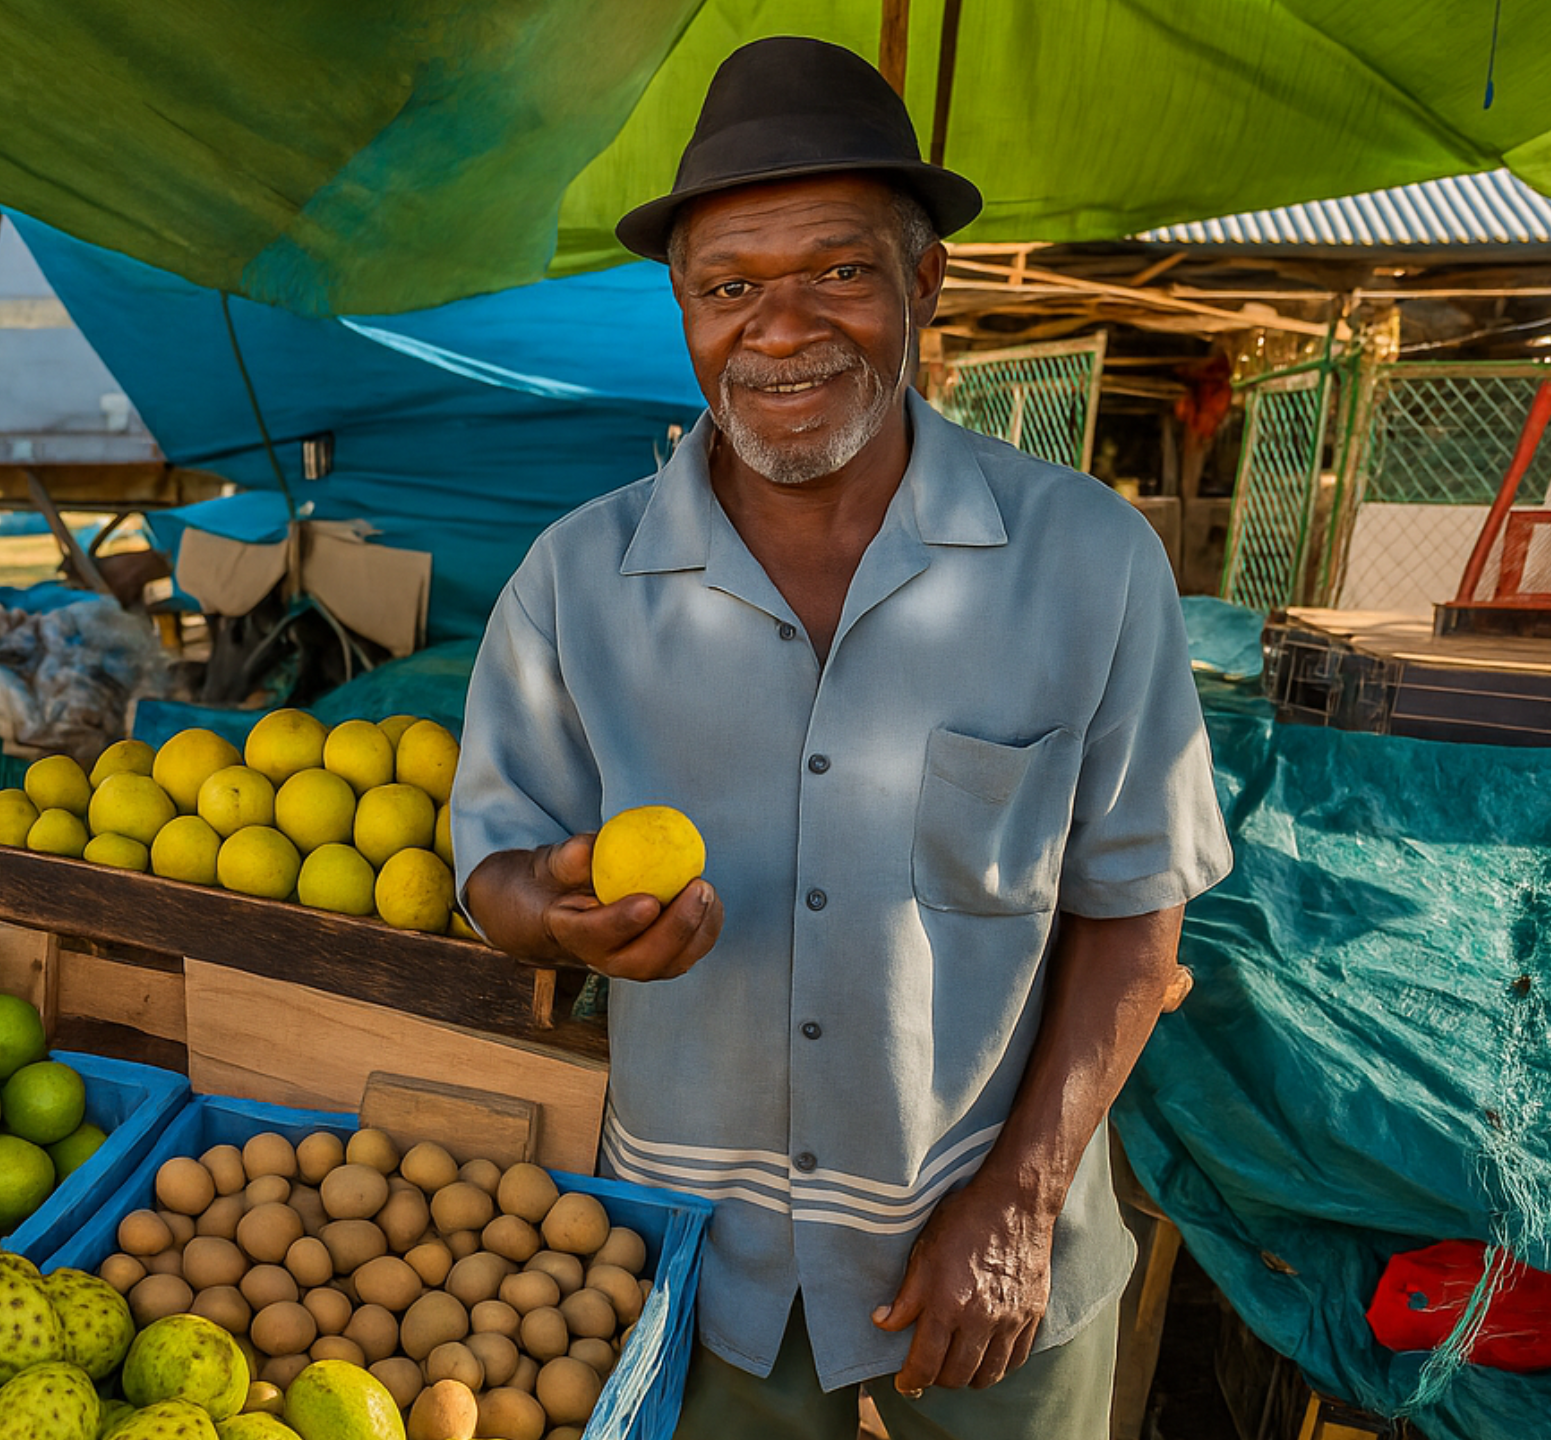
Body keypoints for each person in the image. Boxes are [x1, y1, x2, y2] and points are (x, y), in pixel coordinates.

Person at [453, 38, 1232, 1440]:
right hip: (703, 1262)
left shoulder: (1090, 563)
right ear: (683, 306)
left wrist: (1019, 1202)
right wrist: (559, 921)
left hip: (1000, 1256)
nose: (781, 327)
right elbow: (498, 870)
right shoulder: (574, 580)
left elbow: (1135, 923)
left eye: (841, 272)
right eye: (729, 287)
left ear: (925, 281)